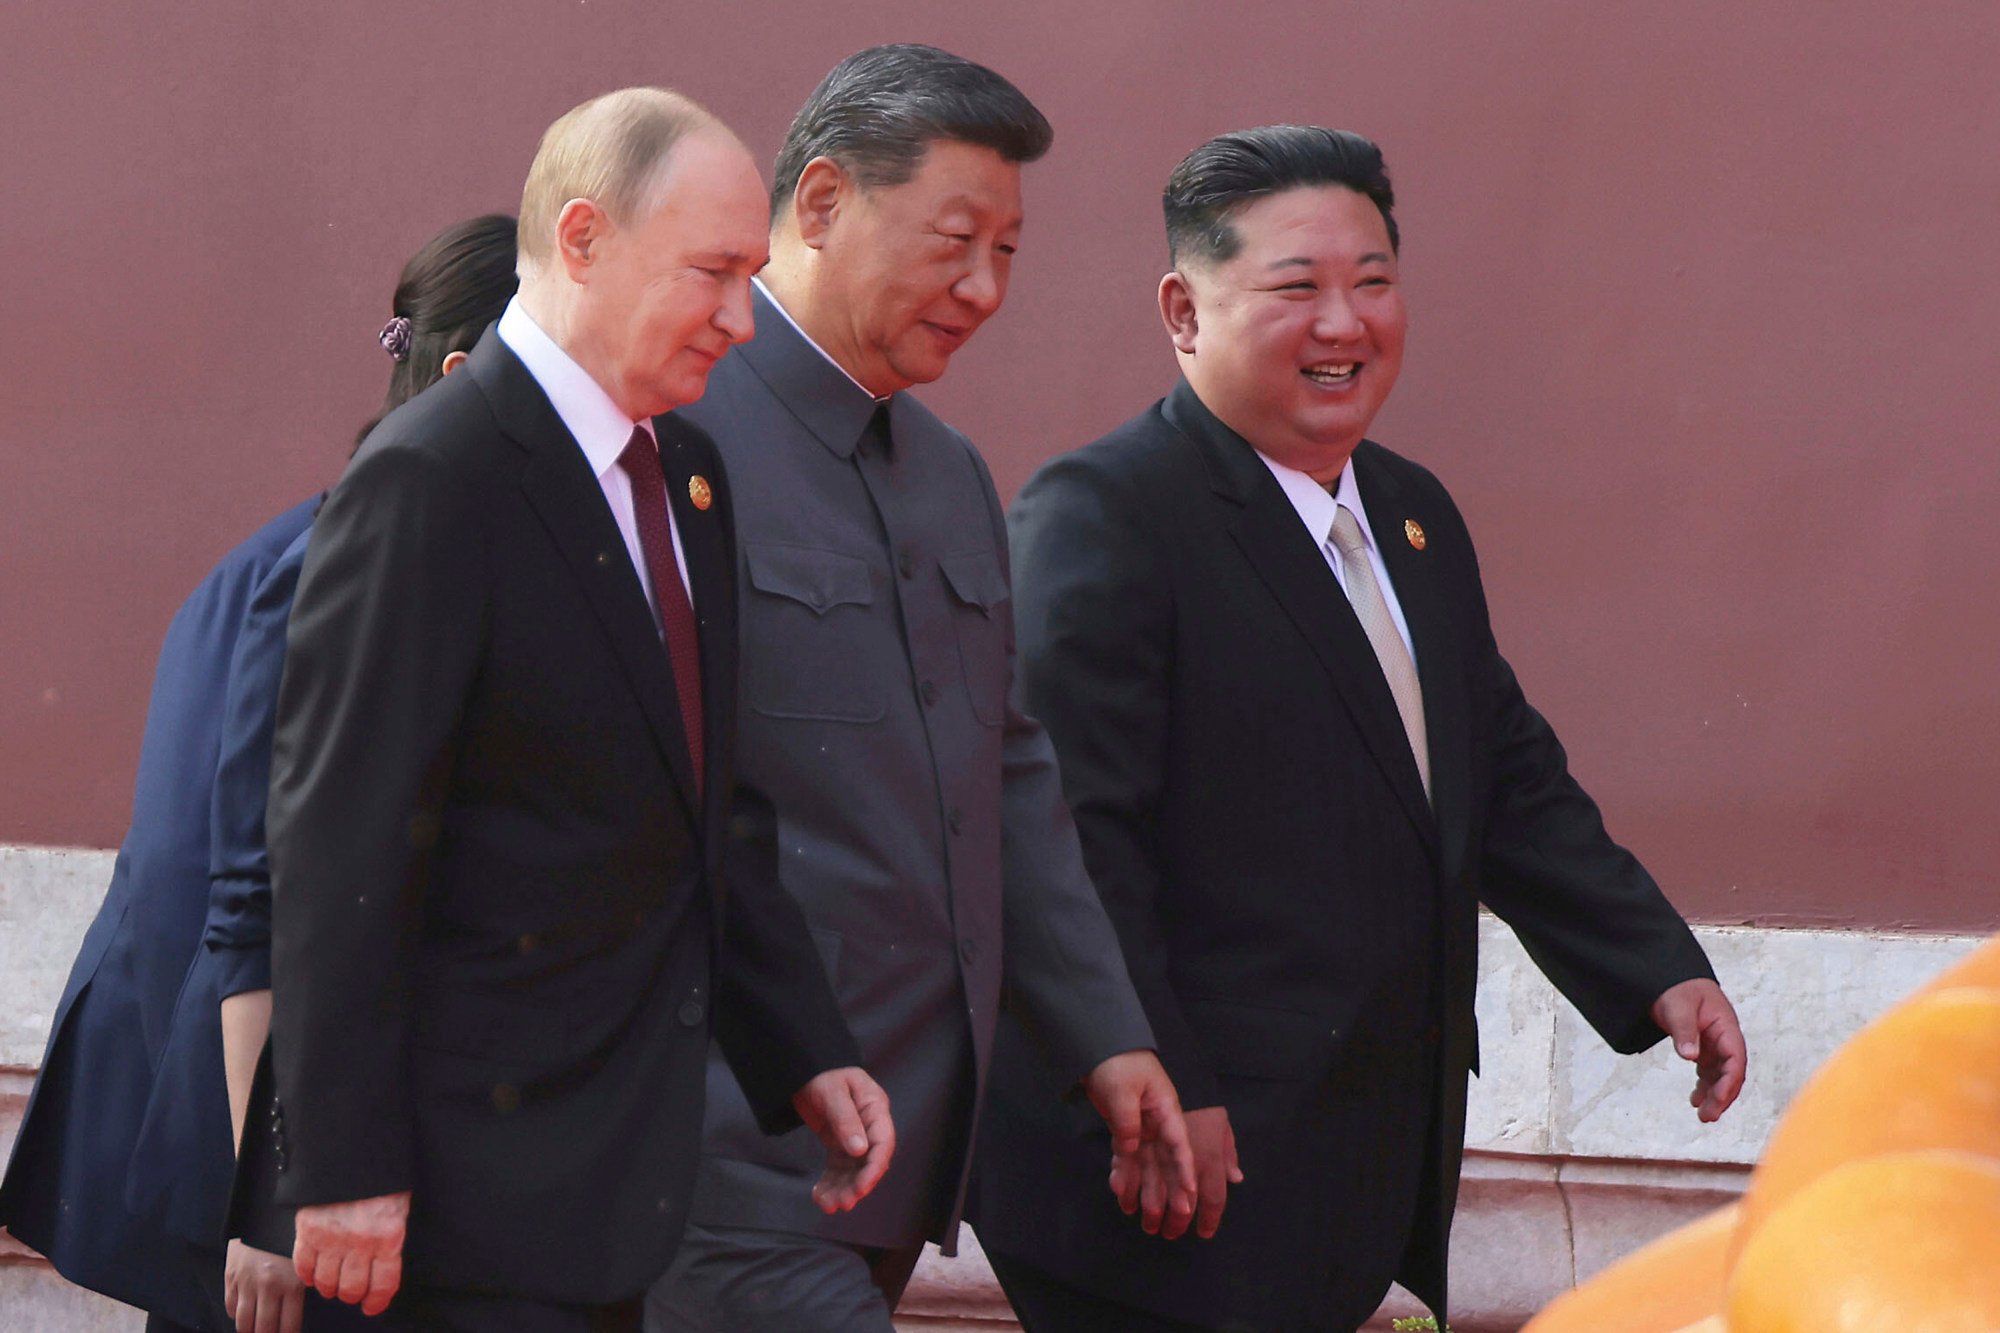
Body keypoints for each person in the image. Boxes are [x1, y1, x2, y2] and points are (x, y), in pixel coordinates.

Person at [971, 126, 1749, 1332]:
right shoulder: (1108, 515)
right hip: (1173, 1173)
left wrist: (1653, 965)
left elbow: (1498, 770)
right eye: (1296, 289)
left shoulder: (1407, 511)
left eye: (1371, 282)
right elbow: (1069, 840)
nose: (1344, 323)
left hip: (1356, 1157)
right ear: (1183, 310)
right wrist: (1159, 1079)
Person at [264, 88, 892, 1333]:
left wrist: (801, 1045)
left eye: (751, 277)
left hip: (612, 1179)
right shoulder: (430, 480)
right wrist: (342, 1170)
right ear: (585, 239)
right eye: (712, 274)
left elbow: (706, 798)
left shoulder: (689, 477)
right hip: (446, 1202)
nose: (741, 322)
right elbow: (341, 844)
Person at [645, 45, 1193, 1333]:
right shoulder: (675, 436)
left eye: (1008, 251)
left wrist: (1107, 1038)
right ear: (822, 204)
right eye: (956, 240)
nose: (983, 288)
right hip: (716, 1145)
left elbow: (1002, 774)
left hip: (900, 1155)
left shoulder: (944, 472)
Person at [0, 215, 516, 1333]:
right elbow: (241, 887)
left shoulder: (317, 540)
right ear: (469, 373)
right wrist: (272, 1197)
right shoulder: (338, 567)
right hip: (253, 1158)